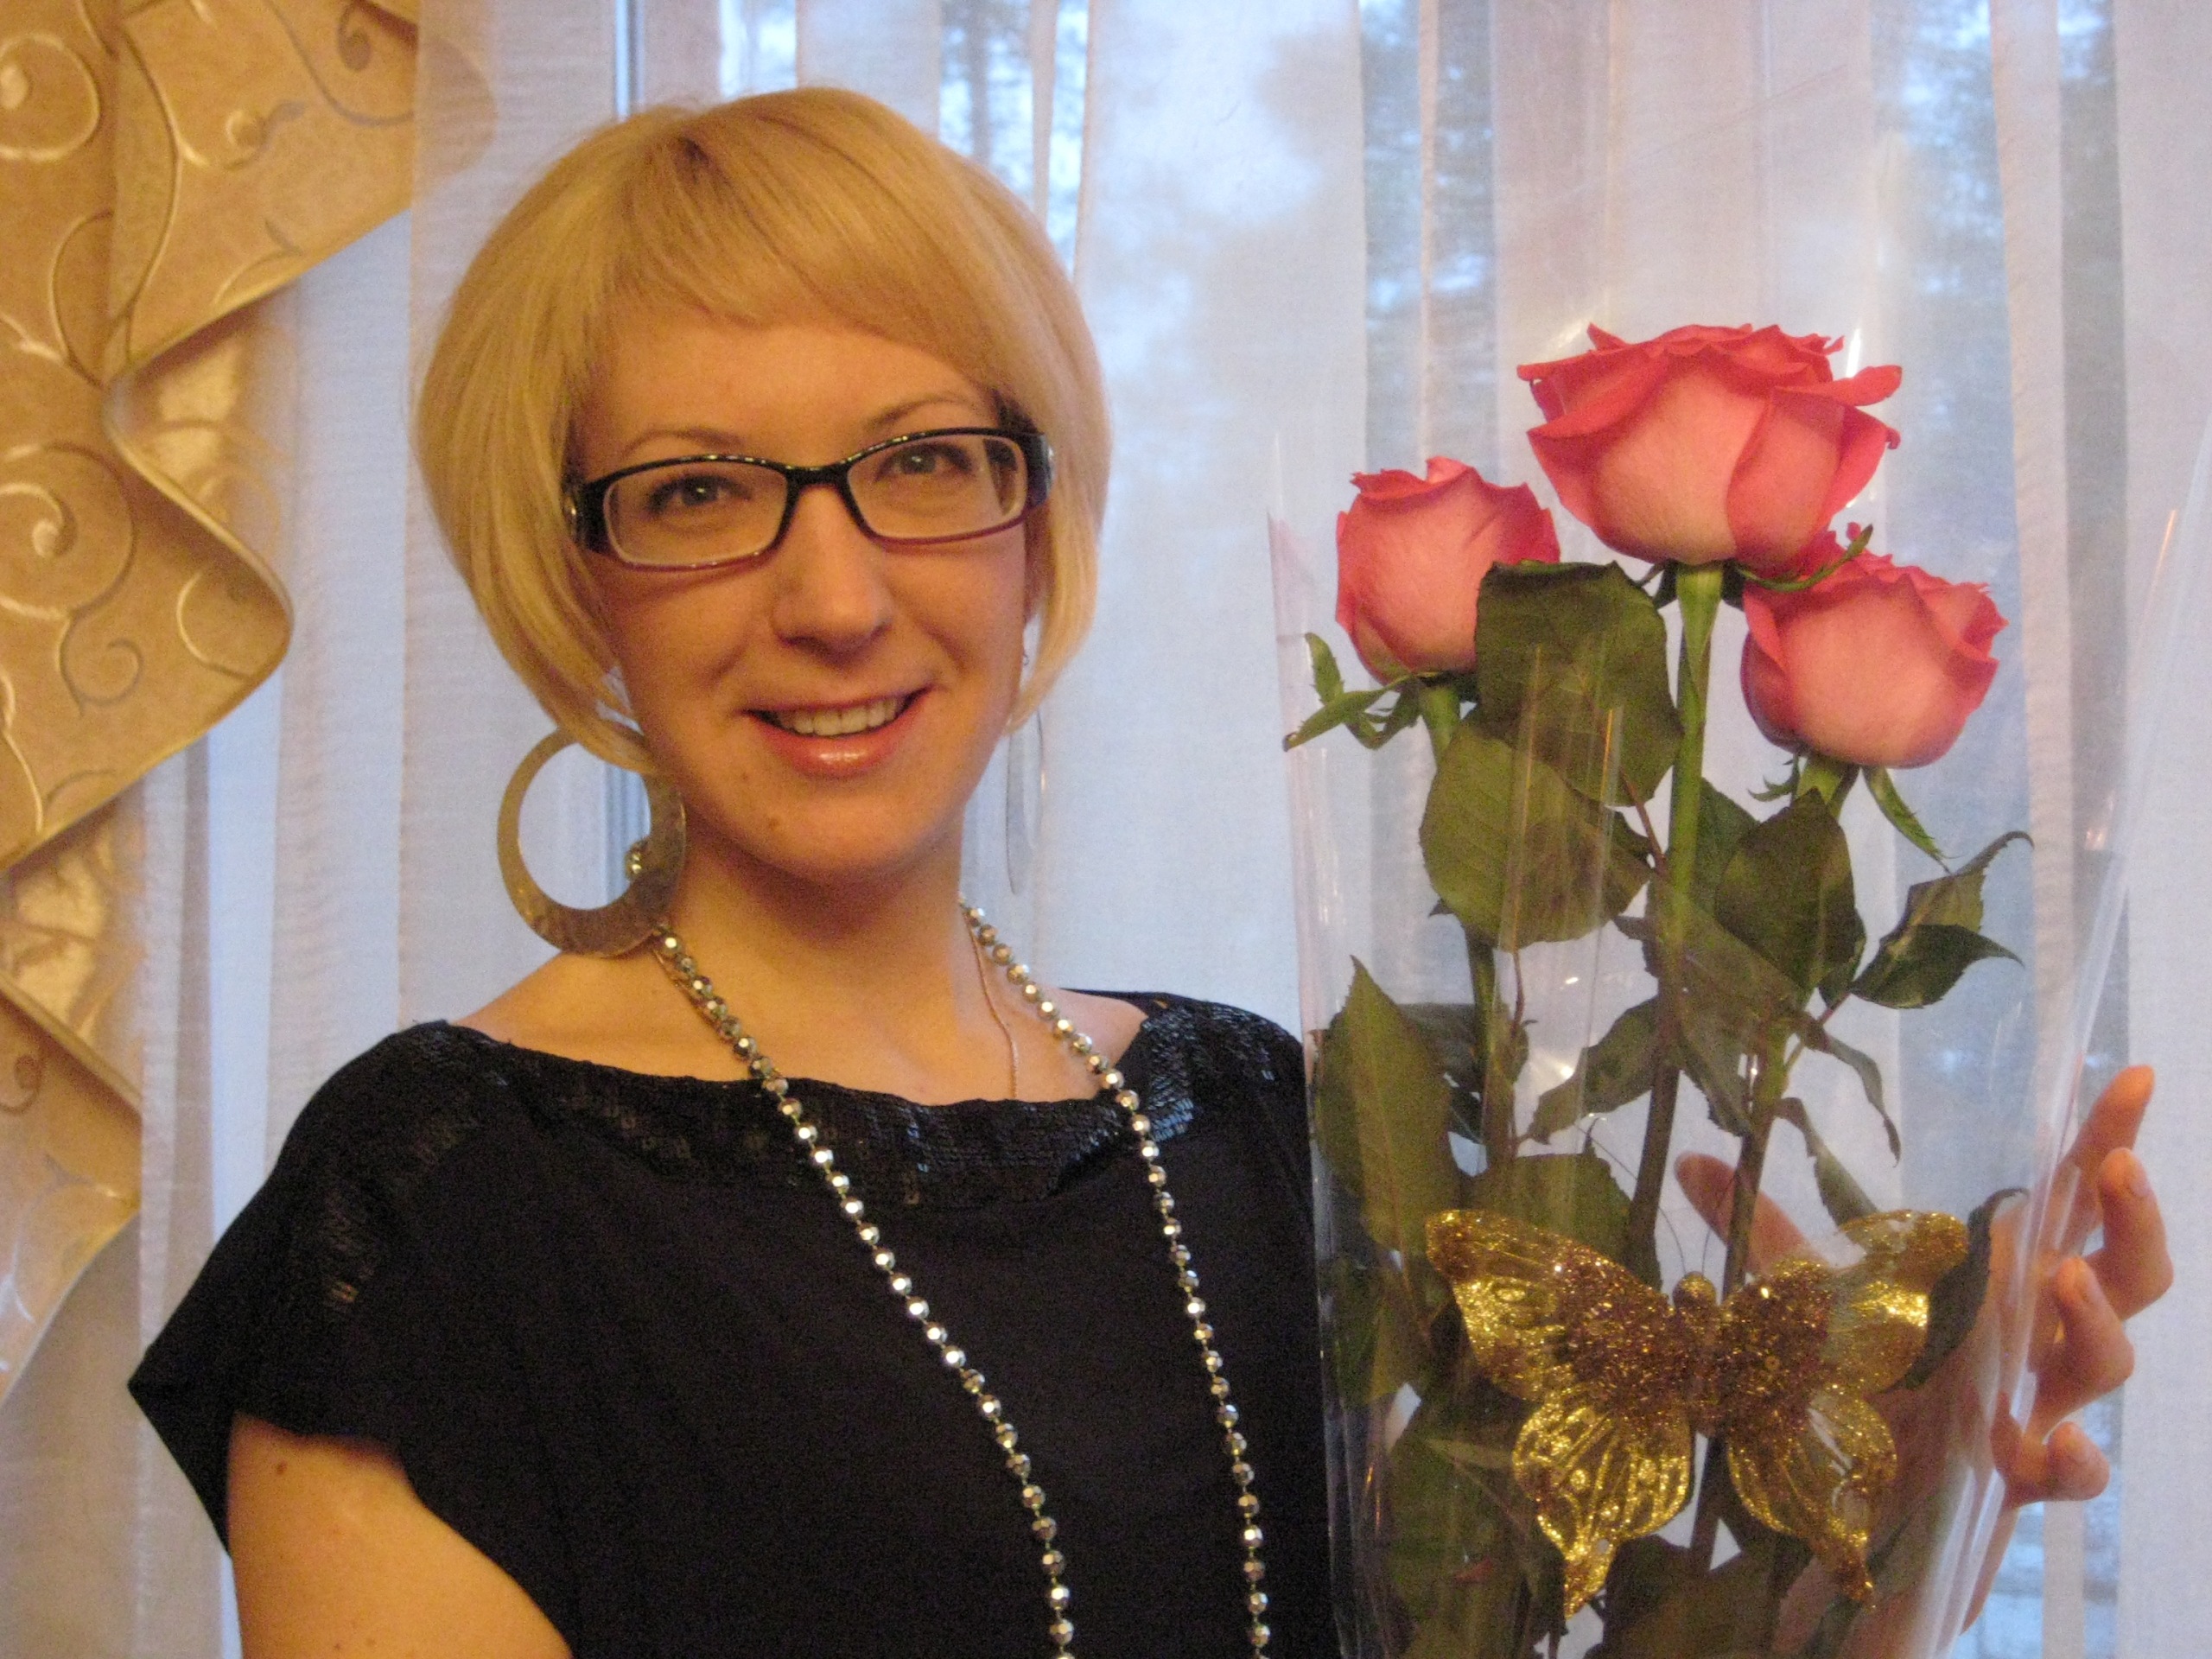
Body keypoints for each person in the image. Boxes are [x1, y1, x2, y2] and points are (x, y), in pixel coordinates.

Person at [128, 89, 2169, 1659]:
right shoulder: (428, 1214)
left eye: (922, 463)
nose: (831, 596)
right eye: (695, 494)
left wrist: (1888, 1493)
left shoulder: (1264, 1120)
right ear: (573, 578)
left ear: (1038, 520)